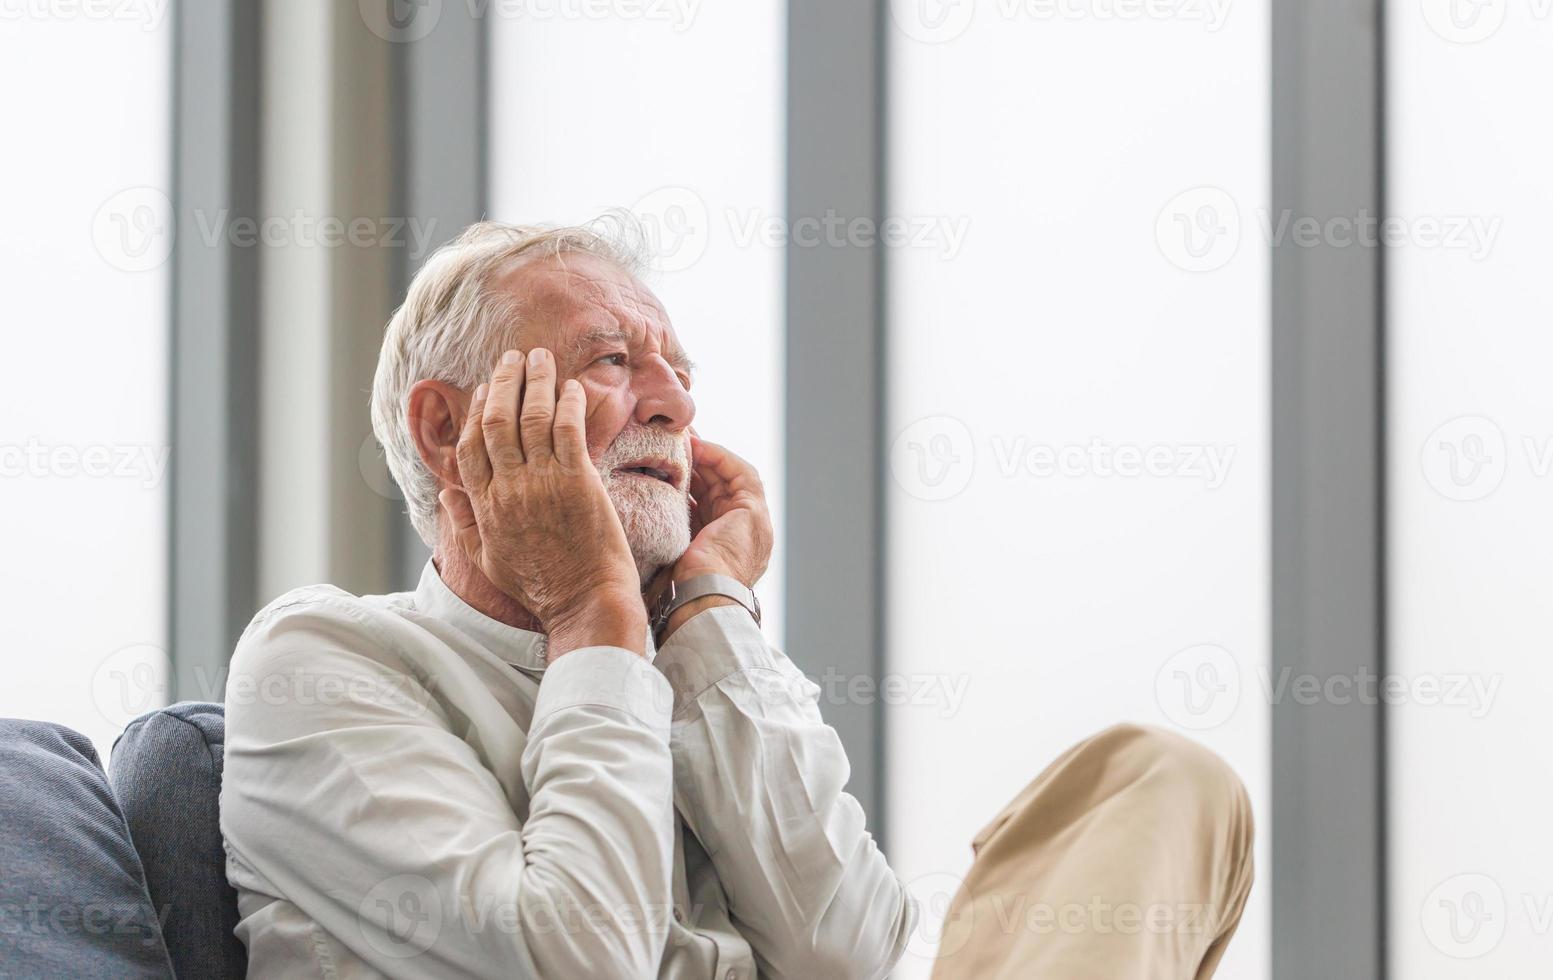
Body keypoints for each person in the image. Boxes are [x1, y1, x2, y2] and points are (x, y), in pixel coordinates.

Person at [219, 219, 1254, 979]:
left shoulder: (688, 652)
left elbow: (849, 951)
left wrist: (708, 608)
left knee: (1159, 780)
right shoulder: (323, 658)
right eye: (613, 361)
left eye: (677, 371)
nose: (674, 404)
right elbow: (574, 962)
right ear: (448, 431)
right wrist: (591, 613)